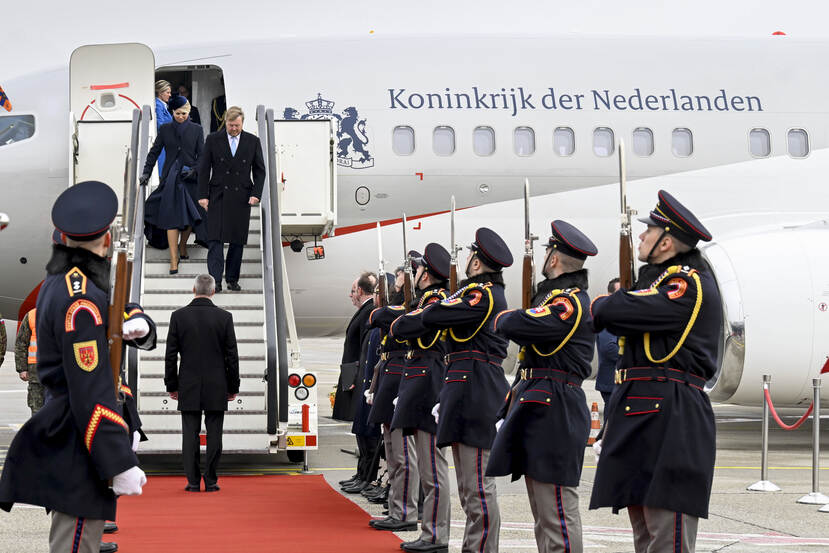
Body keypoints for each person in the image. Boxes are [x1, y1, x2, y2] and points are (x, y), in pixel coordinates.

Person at [0, 180, 154, 553]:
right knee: (76, 543)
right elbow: (89, 387)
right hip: (79, 436)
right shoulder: (80, 298)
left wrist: (137, 320)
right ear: (104, 240)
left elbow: (112, 306)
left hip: (74, 428)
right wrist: (116, 458)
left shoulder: (68, 280)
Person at [589, 190, 721, 553]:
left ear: (666, 242)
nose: (641, 239)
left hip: (672, 415)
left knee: (667, 532)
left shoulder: (686, 283)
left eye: (648, 233)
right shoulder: (659, 280)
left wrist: (608, 302)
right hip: (642, 409)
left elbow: (613, 312)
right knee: (644, 526)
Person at [397, 228, 512, 553]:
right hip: (464, 389)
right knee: (467, 487)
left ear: (478, 262)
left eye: (470, 256)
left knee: (477, 487)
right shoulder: (473, 293)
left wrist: (448, 298)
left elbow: (434, 314)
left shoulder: (483, 294)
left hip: (477, 392)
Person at [487, 220, 599, 553]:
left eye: (548, 251)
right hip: (541, 404)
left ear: (553, 260)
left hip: (557, 409)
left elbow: (519, 323)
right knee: (543, 510)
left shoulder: (570, 301)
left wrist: (511, 316)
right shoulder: (557, 298)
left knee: (556, 511)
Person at [388, 243, 452, 552]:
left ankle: (436, 535)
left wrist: (406, 320)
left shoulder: (436, 300)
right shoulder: (426, 300)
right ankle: (430, 531)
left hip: (430, 381)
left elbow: (406, 326)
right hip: (420, 379)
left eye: (419, 269)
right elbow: (402, 327)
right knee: (427, 468)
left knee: (432, 469)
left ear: (427, 273)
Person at [164, 274, 240, 492]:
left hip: (188, 383)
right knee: (215, 433)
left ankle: (193, 481)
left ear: (193, 289)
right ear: (213, 291)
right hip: (217, 383)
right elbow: (232, 356)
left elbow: (171, 355)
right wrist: (233, 386)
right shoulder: (225, 317)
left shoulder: (178, 316)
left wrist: (172, 385)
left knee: (190, 433)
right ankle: (212, 480)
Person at [364, 276, 418, 530]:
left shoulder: (412, 306)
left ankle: (405, 510)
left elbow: (378, 316)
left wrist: (389, 302)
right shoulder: (401, 308)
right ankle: (397, 505)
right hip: (390, 373)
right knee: (393, 452)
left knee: (403, 454)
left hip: (400, 373)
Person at [197, 106, 265, 292]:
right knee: (215, 240)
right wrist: (202, 195)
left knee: (237, 240)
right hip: (217, 195)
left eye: (237, 125)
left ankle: (232, 279)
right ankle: (215, 281)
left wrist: (256, 194)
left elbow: (260, 170)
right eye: (230, 125)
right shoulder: (213, 139)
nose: (234, 128)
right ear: (225, 122)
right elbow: (203, 169)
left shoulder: (253, 141)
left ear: (242, 123)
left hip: (241, 196)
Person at [141, 96, 204, 273]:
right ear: (172, 112)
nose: (181, 116)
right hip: (170, 177)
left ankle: (183, 245)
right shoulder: (165, 129)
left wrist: (196, 169)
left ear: (189, 112)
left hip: (190, 177)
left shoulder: (197, 130)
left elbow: (203, 155)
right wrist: (147, 171)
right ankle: (173, 257)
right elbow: (154, 152)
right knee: (170, 218)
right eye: (177, 113)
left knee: (191, 215)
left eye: (184, 113)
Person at [332, 272, 376, 422]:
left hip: (356, 374)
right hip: (353, 372)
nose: (350, 295)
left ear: (360, 291)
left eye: (353, 291)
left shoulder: (368, 311)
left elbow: (365, 348)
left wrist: (353, 377)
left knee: (357, 416)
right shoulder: (364, 310)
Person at [595, 278, 621, 407]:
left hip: (617, 381)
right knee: (611, 423)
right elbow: (609, 348)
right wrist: (632, 358)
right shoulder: (607, 315)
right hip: (611, 381)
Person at [14, 308, 45, 414]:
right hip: (35, 373)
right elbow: (21, 343)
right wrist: (22, 369)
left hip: (57, 373)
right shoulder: (31, 315)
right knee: (37, 409)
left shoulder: (63, 313)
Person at [154, 80, 173, 177]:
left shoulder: (162, 105)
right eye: (168, 92)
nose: (170, 95)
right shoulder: (158, 105)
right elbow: (160, 125)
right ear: (161, 93)